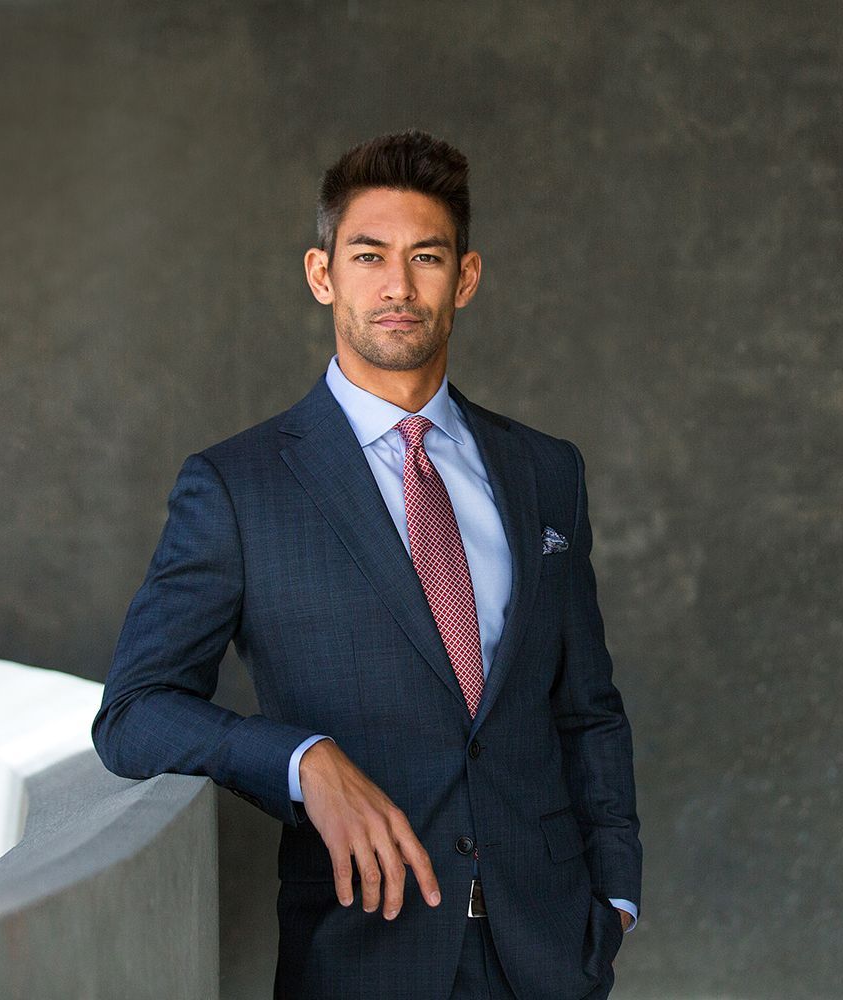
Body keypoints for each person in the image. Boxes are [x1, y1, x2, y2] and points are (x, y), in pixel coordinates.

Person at [92, 129, 642, 999]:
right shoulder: (237, 487)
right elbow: (132, 714)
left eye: (426, 257)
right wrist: (302, 760)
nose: (397, 285)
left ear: (464, 279)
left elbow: (587, 709)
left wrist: (613, 896)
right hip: (360, 954)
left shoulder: (546, 472)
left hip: (550, 952)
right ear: (322, 275)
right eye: (368, 255)